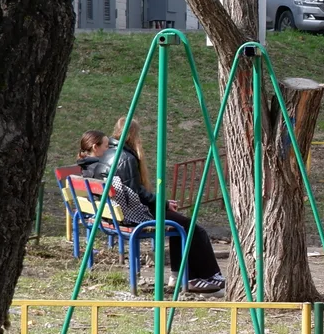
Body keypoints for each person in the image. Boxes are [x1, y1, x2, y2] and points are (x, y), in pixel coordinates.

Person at [77, 121, 225, 294]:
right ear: (134, 136)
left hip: (115, 213)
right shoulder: (125, 158)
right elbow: (137, 193)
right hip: (132, 216)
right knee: (189, 226)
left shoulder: (109, 154)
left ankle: (183, 276)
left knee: (181, 223)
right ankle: (203, 276)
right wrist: (163, 203)